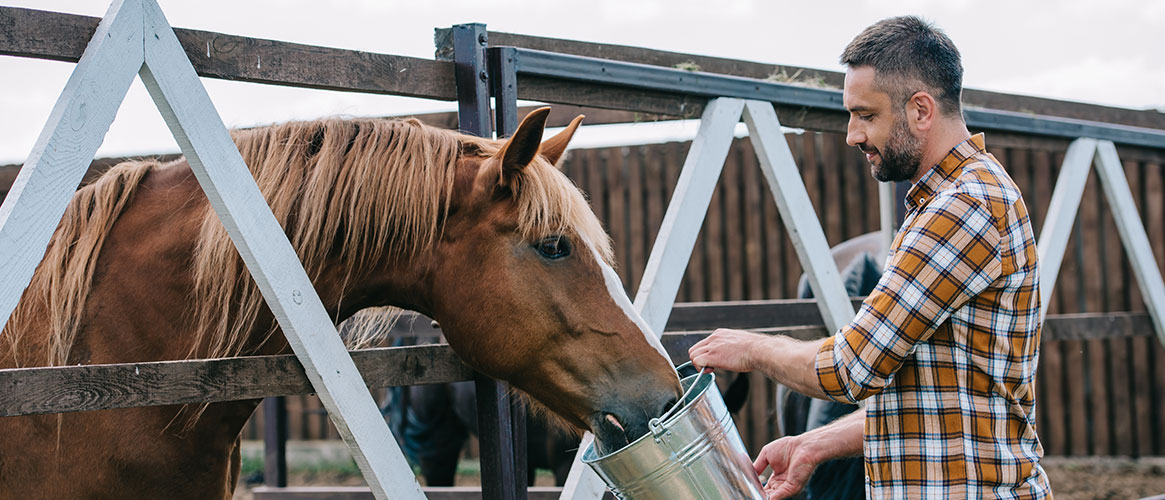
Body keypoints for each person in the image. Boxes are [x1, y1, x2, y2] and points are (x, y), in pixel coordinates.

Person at [689, 16, 1051, 499]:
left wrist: (753, 349)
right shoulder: (951, 201)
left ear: (921, 110)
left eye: (866, 115)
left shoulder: (963, 207)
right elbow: (930, 391)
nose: (852, 135)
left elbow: (852, 366)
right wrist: (813, 444)